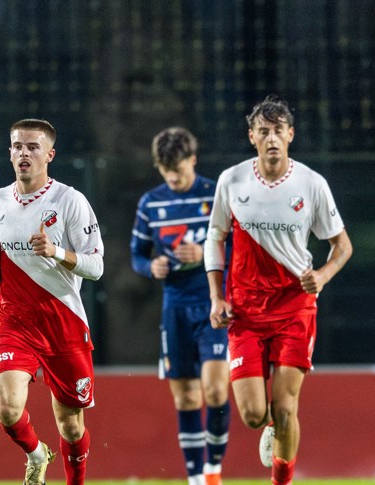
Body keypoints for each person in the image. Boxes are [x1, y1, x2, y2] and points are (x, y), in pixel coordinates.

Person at [0, 119, 104, 485]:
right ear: (10, 152)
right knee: (9, 410)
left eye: (32, 147)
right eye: (17, 146)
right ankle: (36, 453)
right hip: (12, 319)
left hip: (63, 320)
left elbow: (96, 266)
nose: (23, 153)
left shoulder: (70, 201)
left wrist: (57, 252)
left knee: (71, 426)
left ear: (50, 154)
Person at [204, 95, 352, 485]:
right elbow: (215, 237)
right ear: (252, 136)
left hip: (295, 308)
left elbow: (343, 245)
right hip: (245, 312)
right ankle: (271, 424)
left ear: (291, 134)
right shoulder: (232, 181)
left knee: (286, 407)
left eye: (278, 131)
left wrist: (321, 275)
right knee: (255, 415)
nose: (272, 138)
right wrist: (216, 297)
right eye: (263, 131)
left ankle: (281, 480)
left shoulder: (311, 183)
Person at [130, 127, 230, 485]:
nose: (173, 176)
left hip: (211, 301)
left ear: (193, 160)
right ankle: (195, 479)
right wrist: (151, 267)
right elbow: (137, 256)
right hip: (174, 306)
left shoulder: (217, 193)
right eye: (165, 169)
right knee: (186, 397)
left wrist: (206, 254)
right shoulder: (150, 203)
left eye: (180, 168)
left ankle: (213, 468)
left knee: (216, 390)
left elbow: (239, 248)